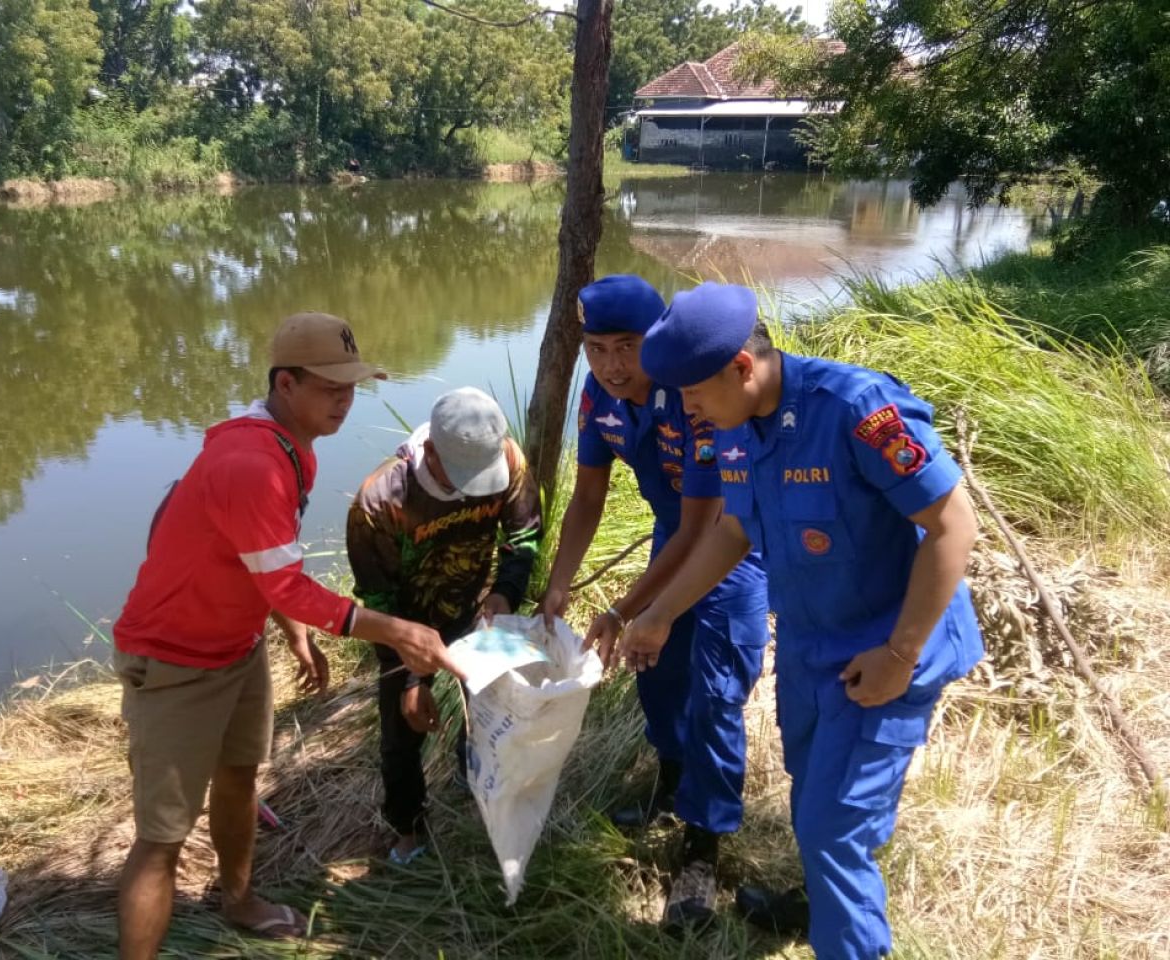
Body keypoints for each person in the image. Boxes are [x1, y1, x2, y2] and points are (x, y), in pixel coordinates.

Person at [622, 283, 984, 958]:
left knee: (831, 828)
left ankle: (848, 935)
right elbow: (732, 530)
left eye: (694, 393)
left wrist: (900, 654)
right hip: (812, 647)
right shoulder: (733, 428)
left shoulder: (854, 408)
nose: (687, 408)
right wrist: (662, 613)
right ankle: (825, 904)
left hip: (885, 648)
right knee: (814, 793)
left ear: (740, 367)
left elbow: (952, 524)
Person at [111, 312, 461, 959]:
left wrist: (294, 636)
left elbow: (262, 567)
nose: (343, 401)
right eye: (330, 387)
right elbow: (288, 585)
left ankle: (238, 901)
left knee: (241, 776)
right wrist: (401, 630)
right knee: (160, 839)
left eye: (350, 387)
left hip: (236, 648)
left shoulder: (289, 445)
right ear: (286, 383)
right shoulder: (251, 461)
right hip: (174, 660)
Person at [539, 275, 770, 930]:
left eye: (628, 346)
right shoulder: (598, 397)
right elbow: (587, 497)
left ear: (657, 340)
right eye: (597, 348)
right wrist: (560, 583)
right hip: (675, 536)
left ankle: (703, 845)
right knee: (657, 674)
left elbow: (704, 528)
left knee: (716, 692)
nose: (613, 365)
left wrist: (623, 611)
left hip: (733, 542)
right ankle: (671, 780)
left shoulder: (690, 393)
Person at [347, 387, 542, 864]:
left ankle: (470, 772)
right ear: (430, 450)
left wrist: (503, 595)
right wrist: (412, 677)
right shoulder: (379, 503)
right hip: (405, 627)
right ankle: (407, 830)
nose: (476, 487)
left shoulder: (508, 460)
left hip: (476, 613)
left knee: (490, 708)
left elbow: (524, 536)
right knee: (401, 731)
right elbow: (379, 602)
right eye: (462, 477)